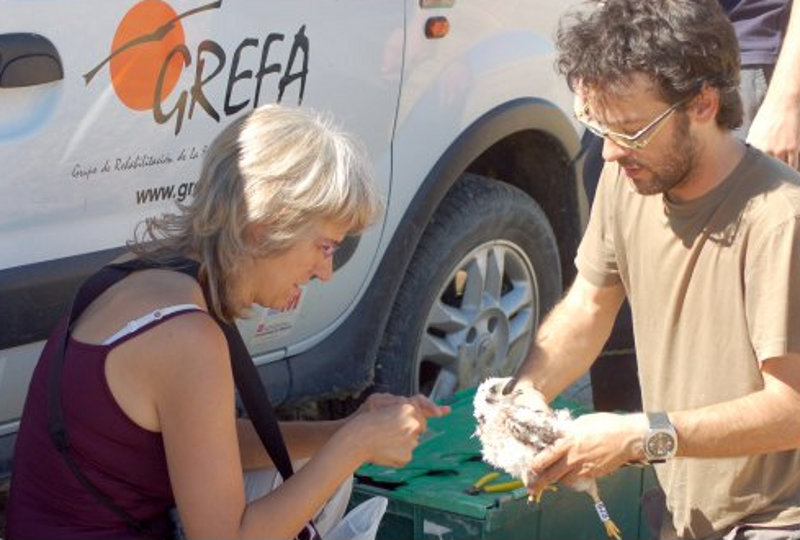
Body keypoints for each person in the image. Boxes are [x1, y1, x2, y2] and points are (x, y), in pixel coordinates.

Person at [5, 104, 449, 539]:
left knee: (302, 473)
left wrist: (344, 430)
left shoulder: (152, 273)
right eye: (325, 247)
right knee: (321, 480)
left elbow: (208, 445)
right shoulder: (186, 338)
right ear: (263, 227)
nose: (325, 272)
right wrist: (352, 449)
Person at [506, 0, 800, 538]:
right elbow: (590, 305)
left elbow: (792, 408)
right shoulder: (630, 177)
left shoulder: (781, 219)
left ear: (704, 103)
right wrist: (529, 392)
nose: (612, 154)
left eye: (632, 131)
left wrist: (644, 434)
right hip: (686, 513)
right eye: (597, 127)